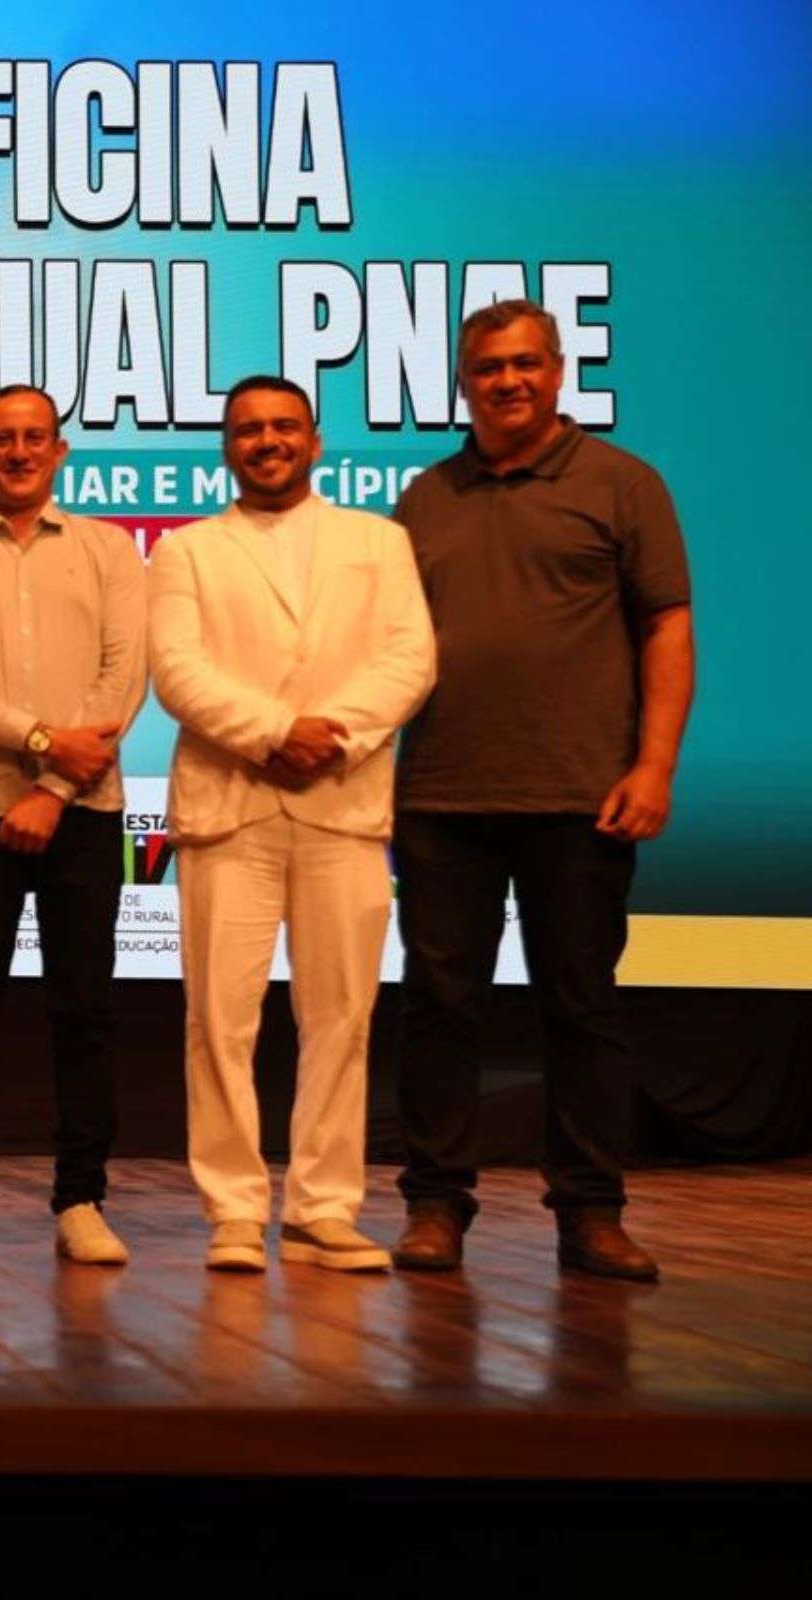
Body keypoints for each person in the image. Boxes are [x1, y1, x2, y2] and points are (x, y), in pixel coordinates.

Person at [388, 301, 694, 1282]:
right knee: (439, 1007)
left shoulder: (624, 483)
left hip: (583, 796)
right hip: (440, 795)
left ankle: (592, 1214)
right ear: (463, 381)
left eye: (525, 364)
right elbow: (391, 648)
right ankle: (436, 1207)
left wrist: (653, 766)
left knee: (583, 1008)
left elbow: (667, 632)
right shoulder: (425, 496)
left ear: (558, 373)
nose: (508, 381)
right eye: (487, 368)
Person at [147, 375, 435, 1274]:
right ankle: (233, 1209)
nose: (265, 442)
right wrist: (274, 732)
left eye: (282, 427)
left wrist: (332, 735)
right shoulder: (188, 550)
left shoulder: (379, 542)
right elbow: (177, 670)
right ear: (226, 447)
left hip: (342, 804)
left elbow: (410, 657)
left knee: (341, 1015)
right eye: (246, 431)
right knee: (220, 1021)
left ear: (314, 440)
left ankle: (322, 1208)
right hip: (230, 805)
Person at [0, 385, 147, 1265]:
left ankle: (81, 1198)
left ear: (59, 449)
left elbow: (127, 676)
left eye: (33, 437)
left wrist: (51, 786)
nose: (17, 452)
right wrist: (44, 742)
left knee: (83, 1011)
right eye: (0, 439)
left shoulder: (110, 551)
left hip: (84, 812)